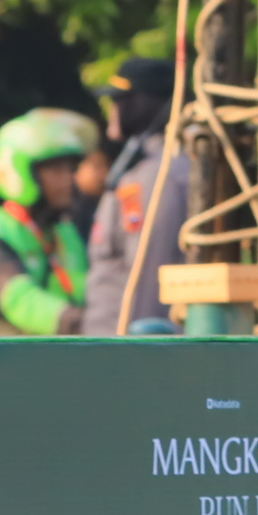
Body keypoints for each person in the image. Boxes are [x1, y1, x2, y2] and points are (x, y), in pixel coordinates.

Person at [0, 110, 97, 335]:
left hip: (63, 348)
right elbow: (19, 301)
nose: (69, 180)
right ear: (21, 172)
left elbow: (88, 287)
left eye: (70, 170)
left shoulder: (64, 229)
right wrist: (88, 323)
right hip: (8, 351)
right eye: (57, 170)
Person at [84, 57, 190, 334]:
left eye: (119, 99)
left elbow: (146, 273)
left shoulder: (156, 174)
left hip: (124, 342)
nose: (113, 109)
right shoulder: (146, 166)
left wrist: (138, 347)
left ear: (143, 102)